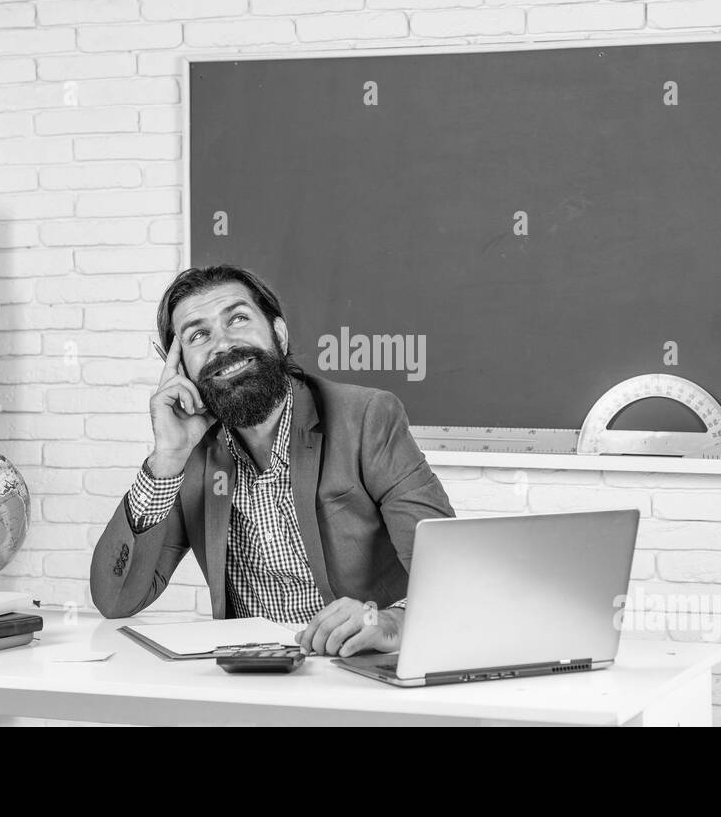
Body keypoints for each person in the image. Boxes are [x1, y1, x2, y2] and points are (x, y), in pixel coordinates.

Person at [90, 266, 454, 658]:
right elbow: (116, 600)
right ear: (179, 369)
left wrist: (391, 621)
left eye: (239, 319)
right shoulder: (189, 454)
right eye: (198, 335)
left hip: (357, 674)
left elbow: (452, 577)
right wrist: (167, 459)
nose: (223, 344)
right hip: (252, 684)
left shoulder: (366, 417)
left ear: (278, 335)